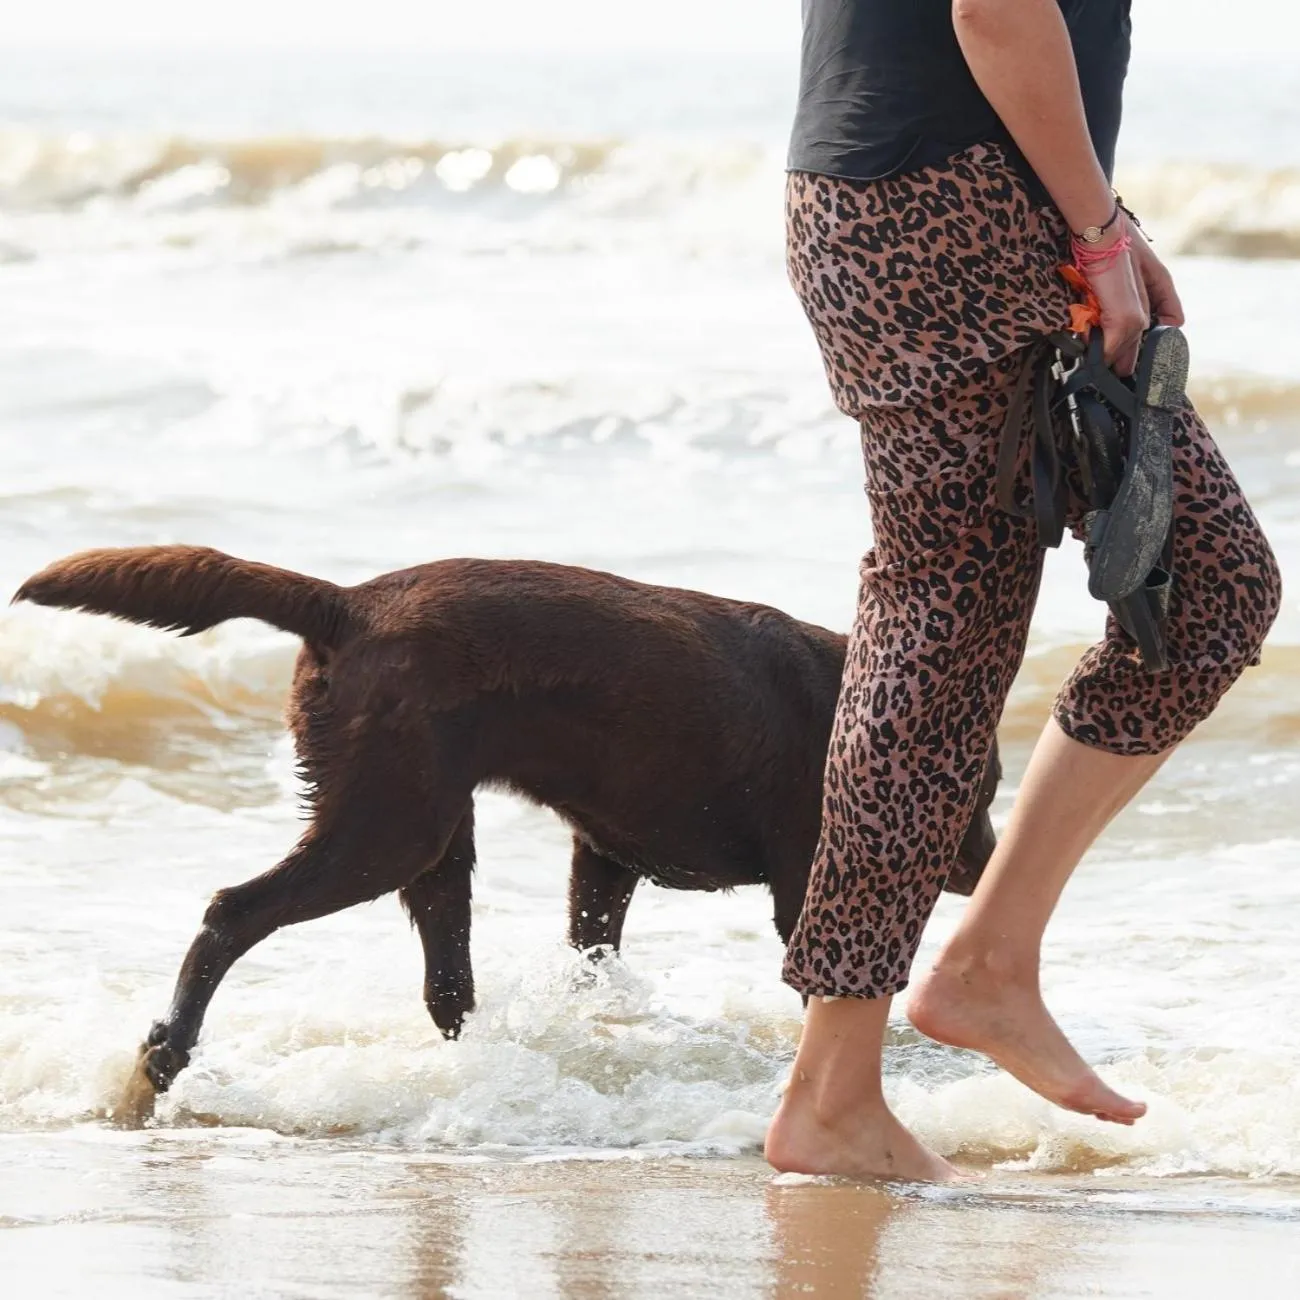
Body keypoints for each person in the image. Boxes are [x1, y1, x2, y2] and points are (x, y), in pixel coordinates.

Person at [764, 0, 1283, 1182]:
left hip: (927, 194)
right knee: (951, 621)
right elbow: (993, 8)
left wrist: (1099, 214)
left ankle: (964, 981)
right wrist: (1095, 230)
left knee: (1130, 599)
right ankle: (846, 1082)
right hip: (948, 206)